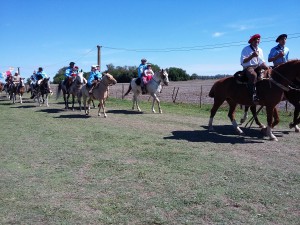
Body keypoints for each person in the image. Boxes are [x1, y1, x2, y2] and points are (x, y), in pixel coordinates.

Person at [240, 34, 269, 104]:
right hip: (248, 67)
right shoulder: (246, 49)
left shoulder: (260, 50)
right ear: (251, 41)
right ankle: (252, 95)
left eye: (258, 39)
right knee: (253, 75)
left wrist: (266, 67)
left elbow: (262, 61)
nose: (257, 41)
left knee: (267, 74)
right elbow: (243, 61)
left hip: (258, 66)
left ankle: (265, 93)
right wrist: (252, 56)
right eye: (255, 39)